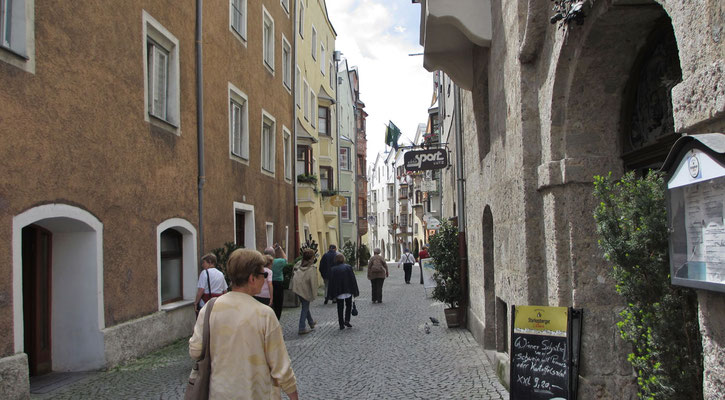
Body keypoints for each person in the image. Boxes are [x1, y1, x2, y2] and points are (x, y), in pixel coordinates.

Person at [189, 249, 299, 400]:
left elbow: (195, 350)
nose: (265, 278)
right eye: (263, 274)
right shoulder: (264, 314)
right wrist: (293, 394)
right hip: (256, 393)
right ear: (252, 278)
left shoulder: (210, 308)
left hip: (219, 392)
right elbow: (280, 364)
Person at [289, 248, 318, 335]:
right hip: (306, 290)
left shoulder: (298, 264)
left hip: (297, 289)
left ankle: (311, 323)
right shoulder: (311, 268)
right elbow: (313, 283)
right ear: (311, 257)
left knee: (305, 306)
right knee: (305, 308)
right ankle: (301, 328)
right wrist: (314, 294)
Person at [327, 253, 360, 330]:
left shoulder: (333, 269)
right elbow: (352, 279)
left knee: (340, 307)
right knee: (348, 306)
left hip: (339, 291)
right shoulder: (348, 267)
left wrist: (332, 293)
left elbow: (331, 282)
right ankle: (347, 320)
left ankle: (341, 323)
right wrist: (354, 290)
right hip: (348, 290)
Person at [270, 244, 287, 320]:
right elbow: (285, 259)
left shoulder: (264, 261)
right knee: (278, 303)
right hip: (278, 283)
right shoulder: (278, 261)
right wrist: (280, 249)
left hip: (267, 283)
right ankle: (277, 319)